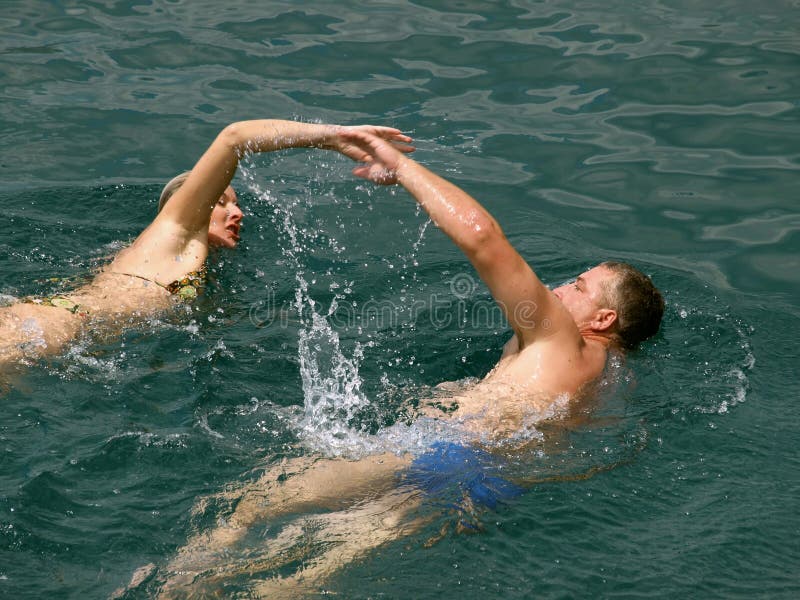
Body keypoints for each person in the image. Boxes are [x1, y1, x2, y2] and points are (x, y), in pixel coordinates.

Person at [149, 130, 664, 598]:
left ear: (604, 317)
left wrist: (401, 165)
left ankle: (165, 585)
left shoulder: (556, 335)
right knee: (305, 570)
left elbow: (483, 238)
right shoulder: (612, 376)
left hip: (443, 448)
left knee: (254, 507)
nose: (559, 287)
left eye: (578, 286)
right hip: (492, 484)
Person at [0, 121, 414, 370]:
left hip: (62, 339)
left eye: (236, 204)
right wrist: (334, 138)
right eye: (220, 202)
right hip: (43, 330)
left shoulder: (186, 267)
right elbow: (235, 137)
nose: (238, 214)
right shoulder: (173, 235)